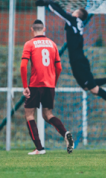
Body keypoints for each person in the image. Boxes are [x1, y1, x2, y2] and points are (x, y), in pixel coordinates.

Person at [36, 0, 106, 101]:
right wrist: (54, 2)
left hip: (78, 61)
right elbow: (63, 12)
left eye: (74, 11)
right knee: (86, 86)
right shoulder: (76, 22)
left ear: (77, 14)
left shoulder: (73, 21)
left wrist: (48, 3)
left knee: (92, 88)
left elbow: (60, 13)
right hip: (78, 60)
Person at [21, 19, 74, 155]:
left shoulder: (29, 44)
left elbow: (23, 66)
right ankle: (65, 133)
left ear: (32, 29)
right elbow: (59, 67)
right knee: (48, 114)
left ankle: (39, 148)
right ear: (44, 29)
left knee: (29, 114)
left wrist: (25, 86)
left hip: (35, 84)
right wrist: (53, 82)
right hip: (49, 85)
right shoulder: (52, 44)